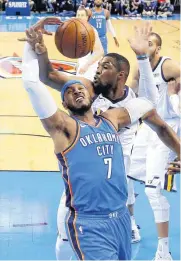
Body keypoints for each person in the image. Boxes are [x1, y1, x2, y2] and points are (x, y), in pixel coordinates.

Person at [23, 21, 180, 260]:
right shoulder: (86, 89)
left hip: (117, 183)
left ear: (120, 76)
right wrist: (40, 51)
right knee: (65, 235)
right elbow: (46, 76)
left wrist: (141, 58)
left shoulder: (125, 109)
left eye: (104, 67)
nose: (96, 71)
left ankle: (131, 224)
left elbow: (160, 124)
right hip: (84, 185)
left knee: (127, 206)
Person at [129, 32, 180, 260]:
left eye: (150, 43)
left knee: (152, 190)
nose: (145, 46)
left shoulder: (167, 66)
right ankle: (131, 225)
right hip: (146, 127)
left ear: (158, 49)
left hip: (166, 129)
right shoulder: (139, 67)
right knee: (125, 176)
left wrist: (175, 99)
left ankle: (163, 251)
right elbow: (130, 93)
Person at [76, 6, 104, 81]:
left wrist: (86, 65)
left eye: (82, 15)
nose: (79, 17)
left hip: (91, 66)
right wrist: (78, 63)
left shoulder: (91, 31)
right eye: (78, 15)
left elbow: (100, 52)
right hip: (83, 64)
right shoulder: (76, 29)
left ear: (87, 17)